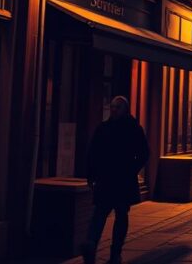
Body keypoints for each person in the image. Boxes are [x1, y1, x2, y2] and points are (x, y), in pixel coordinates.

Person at [81, 96, 149, 264]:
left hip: (112, 179)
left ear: (124, 109)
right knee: (114, 214)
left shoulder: (110, 128)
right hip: (117, 180)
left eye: (116, 107)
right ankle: (110, 251)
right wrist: (91, 175)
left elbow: (143, 153)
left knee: (105, 213)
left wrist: (93, 174)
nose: (113, 110)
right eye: (112, 107)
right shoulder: (128, 128)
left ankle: (96, 244)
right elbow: (93, 153)